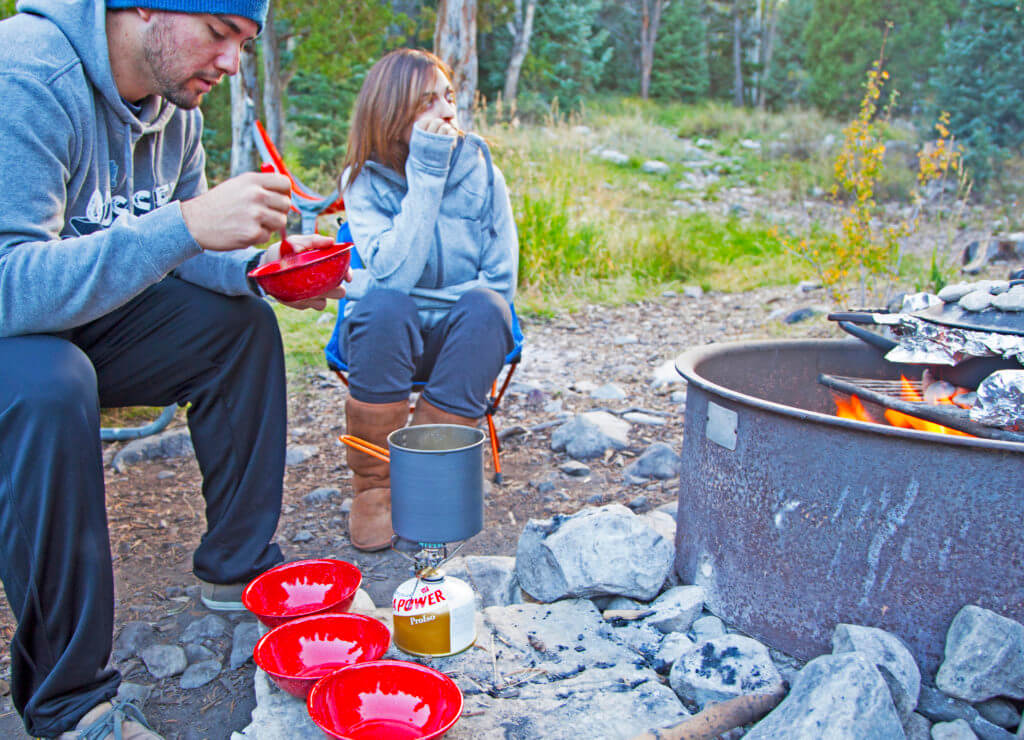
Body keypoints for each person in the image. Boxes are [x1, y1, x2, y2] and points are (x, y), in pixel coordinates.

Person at [0, 0, 345, 737]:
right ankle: (69, 705)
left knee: (240, 328)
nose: (229, 64)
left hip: (83, 316)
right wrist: (185, 224)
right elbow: (9, 285)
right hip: (16, 326)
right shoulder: (28, 72)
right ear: (144, 8)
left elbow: (181, 257)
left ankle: (237, 567)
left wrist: (262, 267)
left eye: (244, 44)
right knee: (52, 383)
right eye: (221, 35)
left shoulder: (176, 103)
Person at [338, 48, 518, 552]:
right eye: (427, 102)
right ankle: (375, 490)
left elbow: (501, 278)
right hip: (390, 338)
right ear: (392, 114)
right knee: (383, 305)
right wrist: (427, 175)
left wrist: (454, 298)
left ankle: (423, 468)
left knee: (488, 308)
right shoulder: (364, 182)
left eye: (450, 97)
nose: (447, 111)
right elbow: (393, 279)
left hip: (462, 342)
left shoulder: (484, 173)